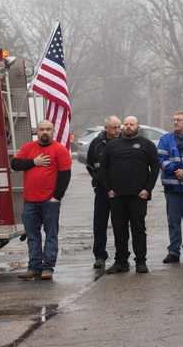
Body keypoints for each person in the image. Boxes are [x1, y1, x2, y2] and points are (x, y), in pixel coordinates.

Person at [99, 116, 161, 274]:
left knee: (138, 229)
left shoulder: (147, 145)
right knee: (119, 230)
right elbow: (103, 168)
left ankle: (141, 261)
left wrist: (148, 189)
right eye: (125, 124)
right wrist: (108, 189)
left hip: (138, 196)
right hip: (117, 196)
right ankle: (121, 262)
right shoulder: (112, 145)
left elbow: (155, 168)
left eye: (131, 124)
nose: (127, 126)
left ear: (138, 127)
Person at [12, 119, 72, 280]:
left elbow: (65, 175)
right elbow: (15, 164)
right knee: (32, 237)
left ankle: (48, 268)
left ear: (53, 131)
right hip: (30, 201)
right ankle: (34, 267)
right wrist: (34, 162)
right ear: (36, 131)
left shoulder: (60, 150)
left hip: (49, 202)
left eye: (48, 129)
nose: (45, 132)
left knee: (51, 236)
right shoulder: (28, 147)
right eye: (41, 129)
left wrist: (56, 197)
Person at [157, 111, 183, 264]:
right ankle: (174, 251)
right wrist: (176, 170)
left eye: (179, 120)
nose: (175, 122)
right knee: (173, 221)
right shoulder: (165, 139)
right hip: (172, 187)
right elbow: (160, 158)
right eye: (174, 120)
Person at [85, 115, 120, 269]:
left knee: (120, 225)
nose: (117, 131)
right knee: (100, 224)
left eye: (119, 127)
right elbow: (90, 165)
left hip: (120, 190)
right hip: (101, 191)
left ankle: (121, 256)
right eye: (114, 128)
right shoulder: (96, 144)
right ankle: (100, 256)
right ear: (106, 128)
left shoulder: (124, 141)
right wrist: (97, 179)